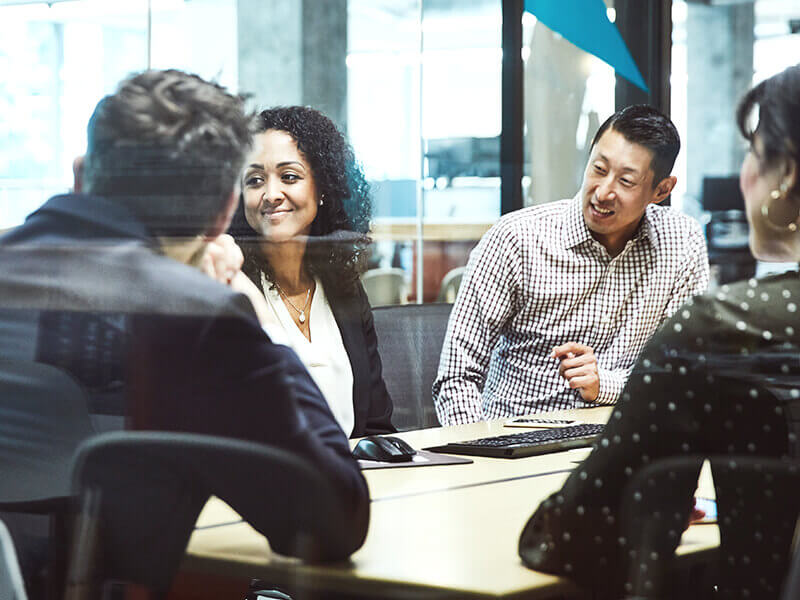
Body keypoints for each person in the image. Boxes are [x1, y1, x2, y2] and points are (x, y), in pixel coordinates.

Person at [0, 70, 369, 577]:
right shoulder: (195, 316)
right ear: (223, 213)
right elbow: (335, 517)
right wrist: (247, 310)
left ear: (81, 174)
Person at [519, 64, 800, 599]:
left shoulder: (727, 327)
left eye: (752, 153)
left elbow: (576, 534)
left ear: (783, 176)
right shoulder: (521, 235)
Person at [433, 105, 709, 425]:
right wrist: (481, 448)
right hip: (514, 440)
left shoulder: (681, 241)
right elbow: (456, 377)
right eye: (599, 169)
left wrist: (602, 384)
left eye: (626, 181)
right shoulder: (516, 240)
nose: (604, 192)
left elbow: (678, 373)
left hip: (620, 441)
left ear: (661, 190)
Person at [229, 106, 394, 438]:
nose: (271, 194)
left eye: (289, 177)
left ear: (323, 188)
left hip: (355, 479)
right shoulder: (231, 288)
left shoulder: (344, 290)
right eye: (255, 180)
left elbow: (378, 425)